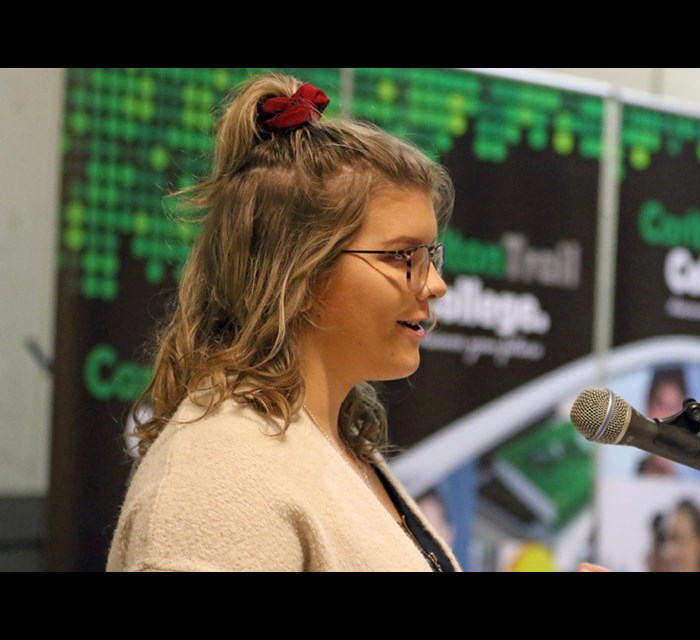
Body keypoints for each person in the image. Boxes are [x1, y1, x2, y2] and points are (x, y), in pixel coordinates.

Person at [106, 73, 461, 571]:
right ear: (299, 272)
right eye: (402, 255)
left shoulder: (328, 443)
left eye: (431, 255)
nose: (434, 284)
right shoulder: (219, 475)